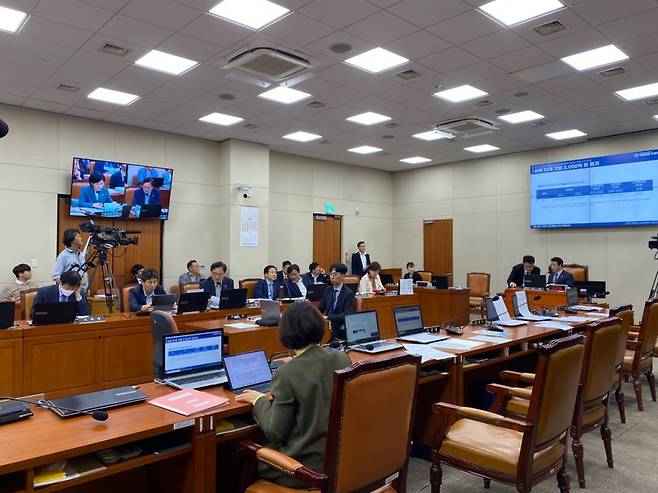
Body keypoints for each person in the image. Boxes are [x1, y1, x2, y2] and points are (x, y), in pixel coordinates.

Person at [236, 301, 351, 488]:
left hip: (303, 469)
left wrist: (258, 400)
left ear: (286, 332)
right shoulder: (341, 357)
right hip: (340, 460)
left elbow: (275, 432)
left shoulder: (286, 373)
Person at [319, 262, 355, 340]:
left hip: (340, 326)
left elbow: (347, 314)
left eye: (335, 274)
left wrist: (328, 317)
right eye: (331, 274)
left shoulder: (348, 293)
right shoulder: (327, 290)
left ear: (343, 276)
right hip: (327, 325)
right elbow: (320, 308)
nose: (332, 277)